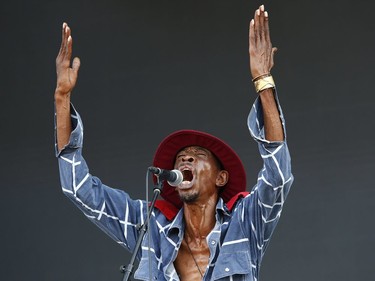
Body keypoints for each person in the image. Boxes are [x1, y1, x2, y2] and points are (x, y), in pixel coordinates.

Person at [54, 4, 293, 281]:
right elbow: (78, 188)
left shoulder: (244, 222)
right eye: (181, 157)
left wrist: (263, 81)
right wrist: (62, 99)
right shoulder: (151, 227)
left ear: (221, 177)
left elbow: (279, 177)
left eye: (196, 155)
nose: (185, 159)